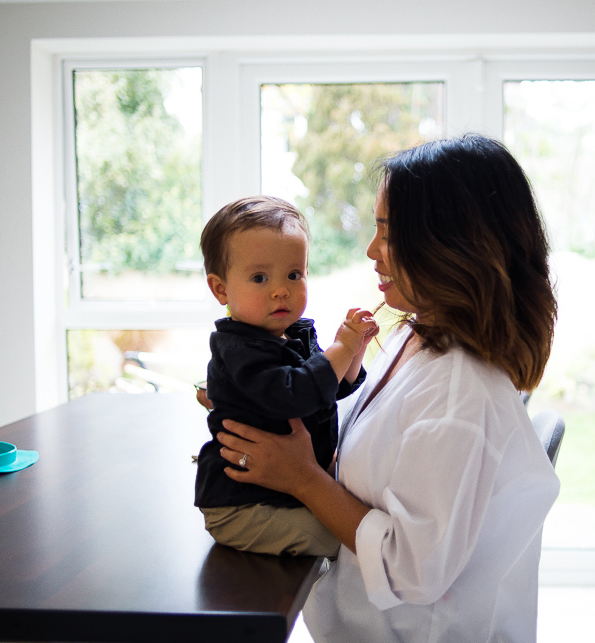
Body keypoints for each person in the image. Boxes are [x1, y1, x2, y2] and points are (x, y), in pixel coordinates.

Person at [212, 134, 561, 642]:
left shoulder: (459, 394)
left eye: (388, 234)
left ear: (451, 246)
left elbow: (411, 570)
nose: (372, 251)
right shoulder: (415, 333)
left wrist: (303, 478)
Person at [194, 195, 379, 557]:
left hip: (283, 489)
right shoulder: (239, 349)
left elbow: (330, 388)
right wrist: (340, 347)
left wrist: (353, 355)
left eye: (294, 274)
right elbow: (295, 394)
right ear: (221, 289)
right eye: (260, 278)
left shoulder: (290, 334)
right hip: (242, 504)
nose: (281, 290)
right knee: (338, 543)